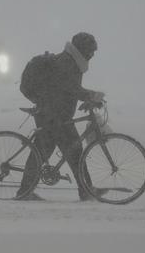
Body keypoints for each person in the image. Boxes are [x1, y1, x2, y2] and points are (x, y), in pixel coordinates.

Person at [17, 32, 105, 201]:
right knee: (73, 152)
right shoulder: (67, 63)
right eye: (91, 51)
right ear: (82, 49)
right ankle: (86, 190)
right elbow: (70, 87)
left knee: (44, 153)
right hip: (54, 116)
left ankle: (25, 191)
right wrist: (91, 96)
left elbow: (68, 90)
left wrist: (87, 99)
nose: (92, 55)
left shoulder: (72, 61)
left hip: (54, 114)